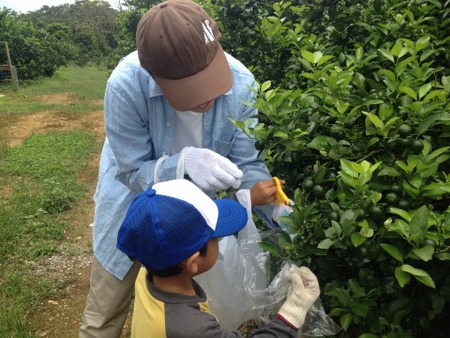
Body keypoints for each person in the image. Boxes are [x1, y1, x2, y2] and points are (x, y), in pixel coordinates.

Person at [79, 0, 284, 337]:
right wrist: (183, 165)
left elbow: (245, 161)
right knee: (105, 312)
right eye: (188, 88)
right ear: (154, 74)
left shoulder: (242, 82)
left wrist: (277, 208)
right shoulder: (126, 86)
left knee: (188, 308)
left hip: (192, 219)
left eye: (208, 80)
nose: (205, 99)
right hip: (131, 207)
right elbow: (131, 171)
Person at [117, 179, 320, 337]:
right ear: (193, 262)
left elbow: (180, 233)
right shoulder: (192, 328)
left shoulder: (148, 270)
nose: (220, 238)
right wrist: (293, 311)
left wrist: (246, 200)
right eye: (215, 237)